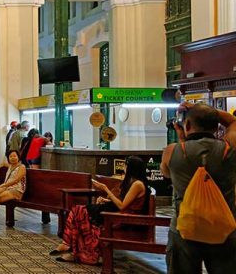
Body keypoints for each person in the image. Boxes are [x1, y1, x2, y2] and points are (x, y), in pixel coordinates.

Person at [161, 102, 236, 273]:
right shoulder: (229, 148)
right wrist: (205, 111)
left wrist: (182, 138)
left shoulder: (172, 151)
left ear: (186, 125)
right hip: (224, 229)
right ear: (217, 126)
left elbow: (167, 174)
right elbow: (232, 121)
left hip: (184, 230)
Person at [52, 156, 149, 264]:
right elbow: (124, 202)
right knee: (78, 210)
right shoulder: (133, 182)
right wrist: (106, 200)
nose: (124, 168)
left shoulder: (138, 184)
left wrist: (105, 189)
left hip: (124, 218)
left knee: (80, 211)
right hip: (119, 212)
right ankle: (71, 247)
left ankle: (71, 248)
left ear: (132, 168)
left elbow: (122, 206)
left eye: (126, 165)